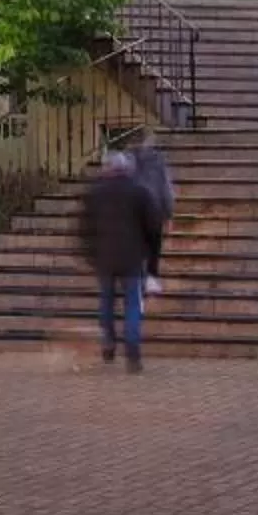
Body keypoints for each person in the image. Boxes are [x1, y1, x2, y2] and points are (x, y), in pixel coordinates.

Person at [77, 146, 165, 371]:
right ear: (127, 168)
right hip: (132, 258)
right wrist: (151, 259)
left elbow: (84, 229)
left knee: (106, 303)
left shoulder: (94, 193)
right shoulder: (139, 191)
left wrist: (91, 254)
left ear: (106, 168)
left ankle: (108, 341)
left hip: (105, 258)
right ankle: (132, 352)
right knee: (133, 305)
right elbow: (153, 228)